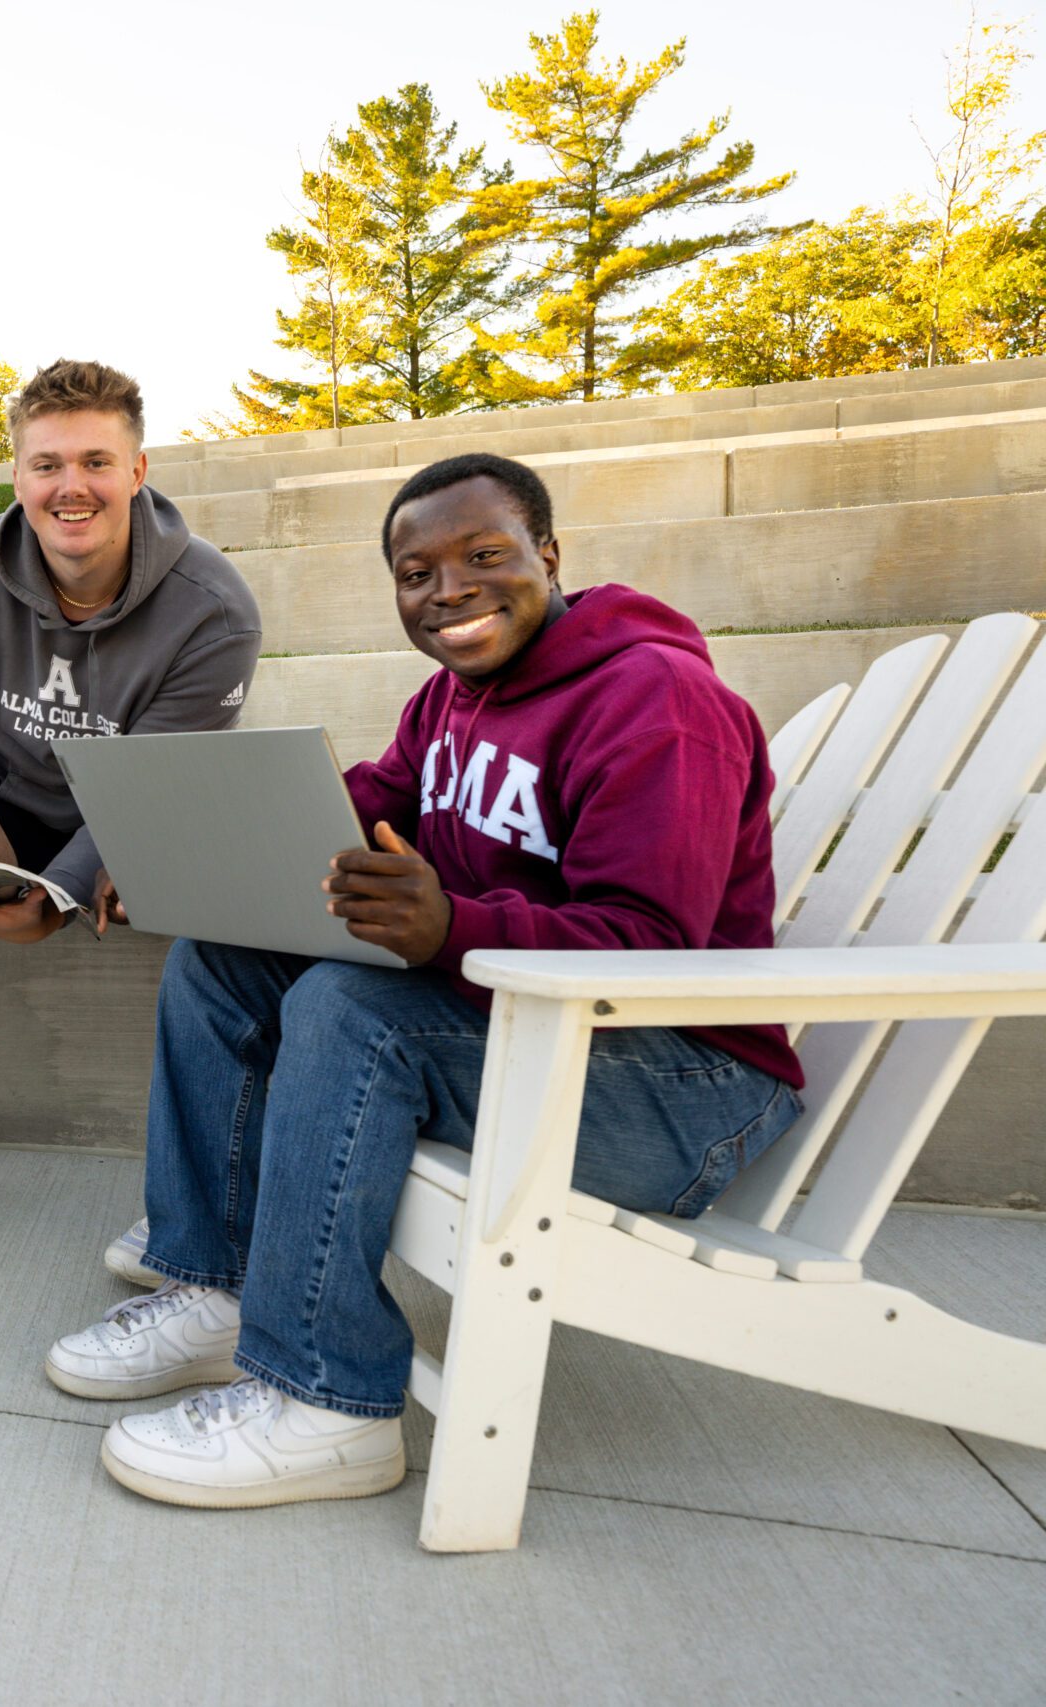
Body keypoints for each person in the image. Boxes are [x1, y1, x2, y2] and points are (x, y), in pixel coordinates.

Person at [49, 451, 807, 1511]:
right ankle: (220, 1287)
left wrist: (455, 926)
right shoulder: (451, 698)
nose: (447, 589)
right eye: (415, 572)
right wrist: (189, 861)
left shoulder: (657, 701)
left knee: (349, 1009)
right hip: (537, 1033)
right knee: (222, 957)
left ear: (548, 555)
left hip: (679, 1087)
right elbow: (359, 801)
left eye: (484, 556)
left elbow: (651, 950)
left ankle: (329, 1403)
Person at [0, 358, 263, 1248]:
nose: (73, 487)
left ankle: (205, 1191)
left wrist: (56, 895)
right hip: (20, 805)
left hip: (151, 813)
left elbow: (150, 788)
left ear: (138, 472)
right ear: (18, 475)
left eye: (97, 462)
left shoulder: (213, 607)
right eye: (48, 464)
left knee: (242, 889)